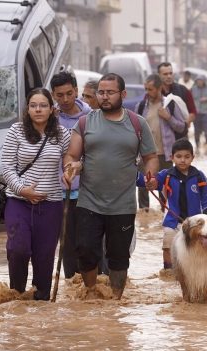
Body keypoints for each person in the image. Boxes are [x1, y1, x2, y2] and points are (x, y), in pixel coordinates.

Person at [63, 73, 159, 300]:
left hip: (123, 204)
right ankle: (92, 293)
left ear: (122, 94)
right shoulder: (86, 122)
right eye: (101, 92)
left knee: (118, 257)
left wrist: (151, 175)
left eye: (110, 92)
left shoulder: (137, 123)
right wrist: (71, 168)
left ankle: (115, 300)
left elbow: (151, 156)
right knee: (86, 251)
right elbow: (72, 154)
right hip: (89, 201)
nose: (104, 97)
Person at [0, 88, 70, 301]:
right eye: (33, 106)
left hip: (51, 205)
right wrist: (22, 189)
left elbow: (71, 159)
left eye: (43, 105)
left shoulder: (62, 134)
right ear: (27, 109)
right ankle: (17, 296)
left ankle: (41, 305)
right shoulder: (16, 131)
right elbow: (7, 167)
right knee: (18, 250)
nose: (38, 110)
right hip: (18, 202)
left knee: (45, 257)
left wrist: (70, 170)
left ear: (51, 109)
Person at [141, 139, 207, 270]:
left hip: (195, 223)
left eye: (187, 156)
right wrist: (149, 181)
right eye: (179, 156)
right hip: (172, 221)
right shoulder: (166, 175)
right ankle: (168, 272)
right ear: (171, 158)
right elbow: (153, 181)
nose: (183, 160)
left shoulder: (199, 176)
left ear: (193, 157)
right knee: (168, 247)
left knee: (197, 249)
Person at [50, 71, 96, 279]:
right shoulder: (49, 118)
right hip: (59, 193)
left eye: (69, 93)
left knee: (89, 245)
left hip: (88, 192)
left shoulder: (91, 117)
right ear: (53, 95)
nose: (65, 99)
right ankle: (71, 289)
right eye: (60, 95)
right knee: (66, 246)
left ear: (76, 91)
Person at [135, 74, 186, 210]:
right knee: (143, 186)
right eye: (146, 89)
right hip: (145, 154)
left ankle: (165, 213)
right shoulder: (140, 106)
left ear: (160, 88)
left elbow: (181, 126)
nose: (147, 92)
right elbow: (134, 130)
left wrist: (168, 117)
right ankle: (144, 216)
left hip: (165, 154)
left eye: (150, 89)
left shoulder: (170, 104)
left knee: (165, 187)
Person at [158, 62, 196, 137]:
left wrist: (186, 123)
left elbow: (193, 112)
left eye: (170, 73)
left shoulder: (183, 90)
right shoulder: (155, 93)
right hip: (161, 137)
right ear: (159, 75)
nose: (169, 76)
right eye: (165, 74)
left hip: (180, 136)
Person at [190, 76, 207, 150]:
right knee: (196, 130)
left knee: (206, 129)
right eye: (198, 81)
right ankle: (197, 146)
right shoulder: (193, 89)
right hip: (196, 113)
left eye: (201, 81)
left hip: (206, 112)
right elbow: (189, 99)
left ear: (204, 81)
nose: (199, 82)